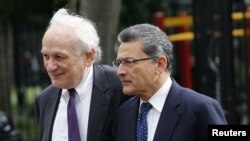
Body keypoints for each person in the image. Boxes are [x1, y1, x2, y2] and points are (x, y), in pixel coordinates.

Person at [113, 23, 227, 141]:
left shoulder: (201, 109)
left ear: (160, 64)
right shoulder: (124, 113)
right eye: (119, 63)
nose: (120, 72)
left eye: (129, 62)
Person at [34, 8, 129, 141]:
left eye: (59, 57)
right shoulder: (44, 100)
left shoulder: (120, 86)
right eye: (46, 56)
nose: (50, 66)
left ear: (89, 56)